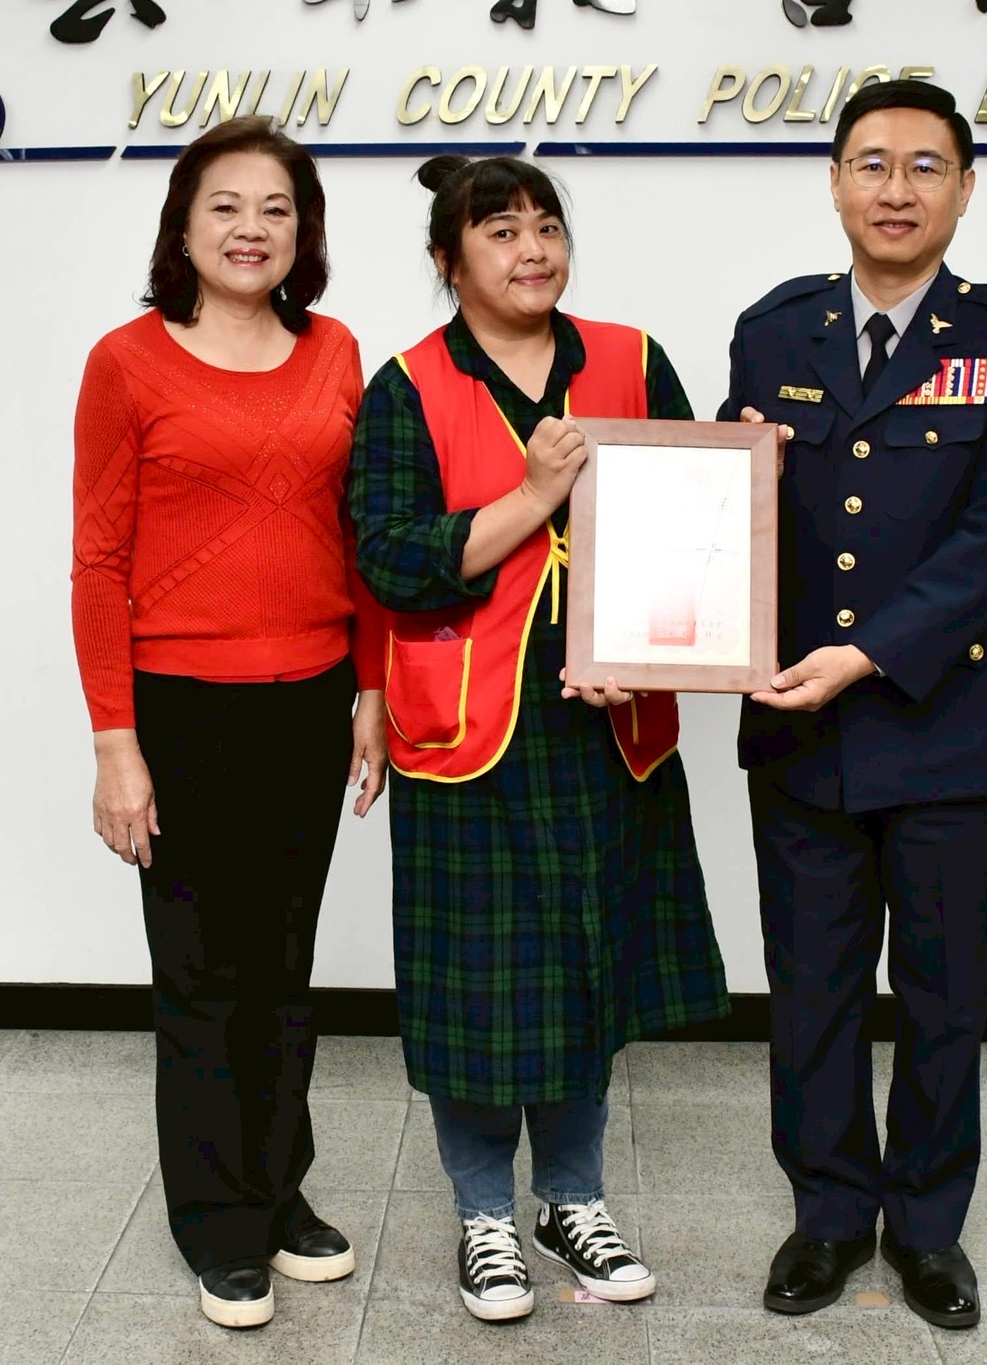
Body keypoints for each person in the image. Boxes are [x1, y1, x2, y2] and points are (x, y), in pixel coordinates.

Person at [348, 154, 730, 1323]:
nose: (532, 249)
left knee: (585, 971)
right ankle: (482, 1215)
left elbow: (691, 526)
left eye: (545, 225)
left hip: (603, 727)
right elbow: (390, 559)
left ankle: (571, 1199)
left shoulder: (627, 358)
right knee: (474, 991)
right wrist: (529, 495)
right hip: (468, 729)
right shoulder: (407, 385)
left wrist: (645, 654)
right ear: (447, 259)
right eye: (500, 230)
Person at [723, 77, 987, 1329]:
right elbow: (728, 513)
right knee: (810, 991)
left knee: (940, 997)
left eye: (924, 167)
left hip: (952, 730)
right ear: (832, 182)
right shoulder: (774, 333)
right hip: (801, 730)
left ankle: (925, 1229)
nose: (895, 189)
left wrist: (866, 653)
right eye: (870, 163)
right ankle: (827, 1217)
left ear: (964, 190)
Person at [71, 116, 389, 1330]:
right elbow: (98, 562)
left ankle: (276, 1186)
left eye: (276, 209)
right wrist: (115, 743)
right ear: (183, 225)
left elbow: (358, 537)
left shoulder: (335, 351)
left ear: (303, 232)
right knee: (203, 973)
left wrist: (369, 692)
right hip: (179, 709)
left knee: (284, 965)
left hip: (309, 698)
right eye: (226, 206)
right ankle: (215, 1222)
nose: (251, 229)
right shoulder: (126, 363)